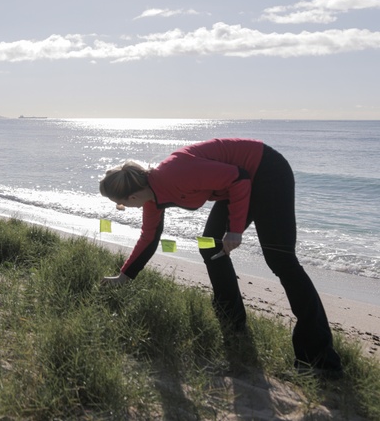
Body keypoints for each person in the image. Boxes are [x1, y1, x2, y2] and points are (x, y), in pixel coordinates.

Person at [98, 138, 342, 377]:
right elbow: (149, 237)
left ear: (130, 198)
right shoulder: (152, 197)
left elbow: (239, 177)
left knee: (281, 260)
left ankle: (319, 359)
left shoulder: (174, 173)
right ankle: (233, 325)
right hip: (236, 184)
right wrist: (124, 276)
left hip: (266, 170)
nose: (125, 208)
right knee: (212, 247)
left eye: (120, 205)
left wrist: (235, 229)